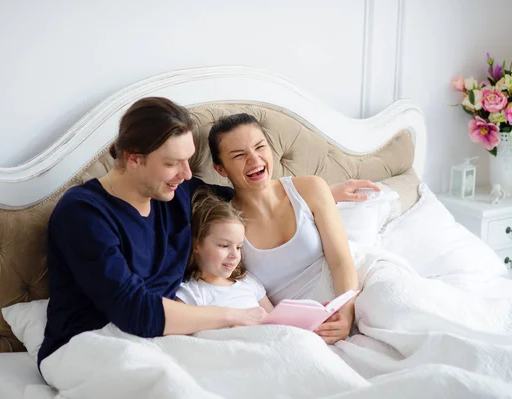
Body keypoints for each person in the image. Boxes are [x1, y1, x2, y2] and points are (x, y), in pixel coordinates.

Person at [38, 96, 377, 383]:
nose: (186, 174)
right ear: (134, 158)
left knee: (288, 357)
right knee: (173, 387)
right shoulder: (83, 214)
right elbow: (135, 312)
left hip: (166, 336)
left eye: (188, 161)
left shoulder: (180, 193)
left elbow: (249, 194)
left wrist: (319, 195)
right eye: (172, 163)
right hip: (89, 342)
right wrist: (233, 316)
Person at [208, 113, 373, 344]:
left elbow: (341, 259)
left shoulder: (311, 188)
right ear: (221, 169)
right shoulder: (227, 226)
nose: (255, 159)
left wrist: (346, 312)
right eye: (239, 155)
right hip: (300, 324)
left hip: (352, 290)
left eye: (260, 147)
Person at [176, 189, 274, 313]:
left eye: (239, 247)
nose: (234, 255)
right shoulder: (191, 293)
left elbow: (276, 319)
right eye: (224, 245)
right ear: (196, 244)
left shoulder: (248, 282)